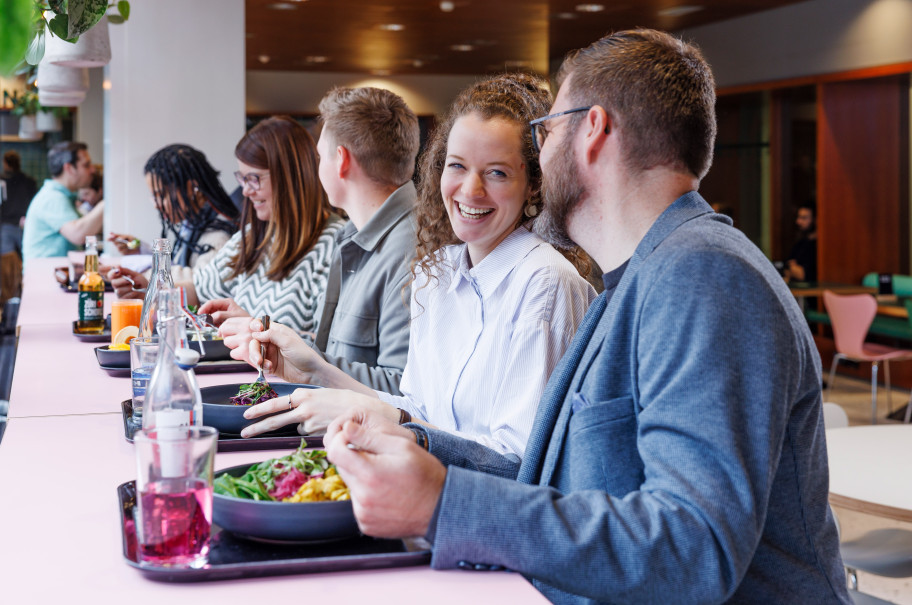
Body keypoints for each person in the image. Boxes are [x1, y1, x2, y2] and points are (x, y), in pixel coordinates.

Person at [321, 29, 850, 604]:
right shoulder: (637, 276)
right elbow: (555, 484)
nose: (539, 159)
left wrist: (446, 503)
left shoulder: (704, 275)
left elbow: (692, 549)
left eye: (543, 132)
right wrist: (413, 442)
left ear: (592, 130)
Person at [237, 73, 596, 458]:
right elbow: (416, 409)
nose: (470, 190)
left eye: (497, 172)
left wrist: (379, 415)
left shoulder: (546, 283)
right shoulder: (438, 270)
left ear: (535, 185)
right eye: (457, 166)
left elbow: (516, 464)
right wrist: (313, 372)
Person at [219, 87, 420, 395]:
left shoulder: (410, 253)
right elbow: (335, 358)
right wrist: (283, 346)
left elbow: (405, 392)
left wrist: (307, 367)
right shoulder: (352, 236)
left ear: (340, 161)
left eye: (319, 155)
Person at [191, 116, 346, 333]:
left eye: (254, 179)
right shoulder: (252, 235)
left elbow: (328, 347)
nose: (245, 191)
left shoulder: (336, 246)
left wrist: (257, 329)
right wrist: (145, 289)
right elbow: (200, 289)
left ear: (289, 177)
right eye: (242, 179)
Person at [105, 144, 240, 295]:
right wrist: (141, 250)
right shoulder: (194, 223)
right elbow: (179, 262)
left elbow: (200, 283)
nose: (156, 205)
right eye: (153, 196)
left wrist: (142, 271)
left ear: (192, 188)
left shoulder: (219, 237)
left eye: (161, 195)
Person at [22, 142, 104, 261]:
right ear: (69, 168)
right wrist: (106, 203)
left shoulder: (62, 196)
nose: (92, 170)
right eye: (86, 165)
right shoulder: (52, 197)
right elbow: (78, 234)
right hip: (46, 276)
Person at [0, 150, 37, 257]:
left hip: (6, 225)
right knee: (28, 256)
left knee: (8, 262)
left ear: (5, 163)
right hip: (25, 224)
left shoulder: (1, 181)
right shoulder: (29, 181)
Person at [783, 201, 817, 283]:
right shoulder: (800, 244)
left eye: (804, 218)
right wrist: (792, 267)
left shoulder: (819, 247)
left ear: (815, 219)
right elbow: (785, 269)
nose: (798, 222)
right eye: (798, 217)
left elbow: (803, 275)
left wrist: (792, 267)